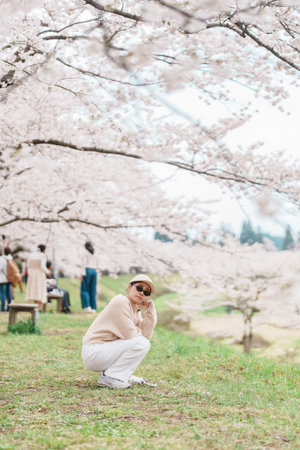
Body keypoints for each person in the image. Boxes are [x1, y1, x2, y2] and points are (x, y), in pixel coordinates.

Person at [81, 274, 157, 389]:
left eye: (146, 292)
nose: (142, 293)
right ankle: (111, 377)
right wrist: (139, 332)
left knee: (142, 342)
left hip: (103, 351)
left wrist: (151, 310)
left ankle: (119, 375)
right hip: (94, 351)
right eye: (139, 288)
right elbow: (131, 334)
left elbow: (145, 335)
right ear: (129, 287)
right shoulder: (121, 301)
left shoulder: (135, 309)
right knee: (141, 343)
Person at [25, 244, 50, 311]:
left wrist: (30, 272)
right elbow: (42, 266)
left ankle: (35, 306)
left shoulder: (31, 255)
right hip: (40, 274)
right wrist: (48, 272)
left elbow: (28, 265)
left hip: (32, 275)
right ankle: (39, 308)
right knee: (40, 290)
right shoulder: (43, 256)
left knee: (34, 290)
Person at [80, 241, 100, 313]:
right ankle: (93, 307)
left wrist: (82, 274)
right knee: (93, 289)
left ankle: (87, 306)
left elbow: (83, 264)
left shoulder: (85, 253)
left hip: (87, 270)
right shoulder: (95, 253)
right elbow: (98, 263)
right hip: (94, 271)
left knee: (85, 289)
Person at [0, 247, 13, 312]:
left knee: (2, 293)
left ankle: (2, 307)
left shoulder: (2, 259)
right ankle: (9, 307)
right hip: (10, 278)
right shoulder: (10, 258)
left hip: (2, 279)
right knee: (9, 293)